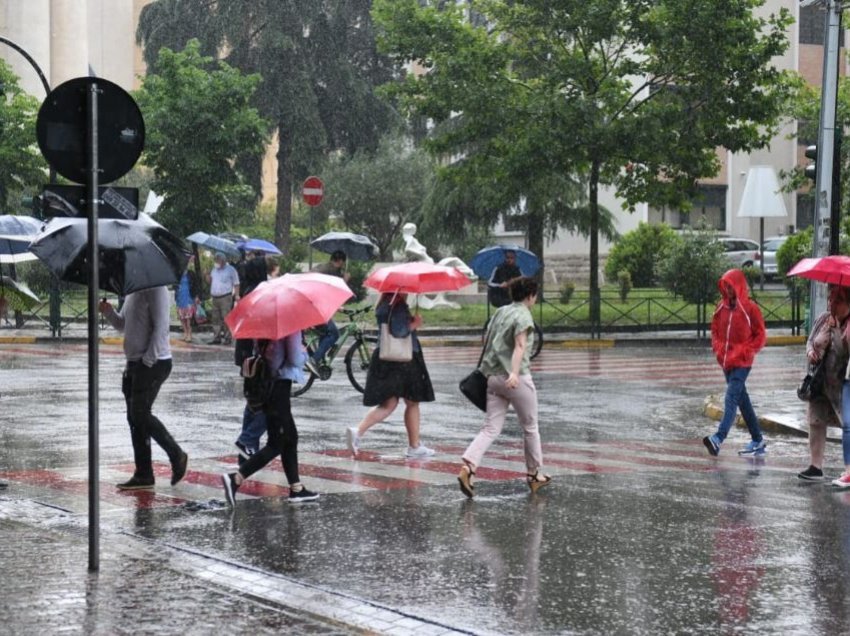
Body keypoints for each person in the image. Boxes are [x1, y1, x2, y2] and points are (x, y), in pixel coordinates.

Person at [457, 277, 551, 498]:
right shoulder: (523, 315)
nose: (535, 299)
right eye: (534, 295)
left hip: (491, 378)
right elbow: (520, 345)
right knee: (530, 426)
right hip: (514, 379)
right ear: (530, 295)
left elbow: (488, 339)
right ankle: (534, 473)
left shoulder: (500, 312)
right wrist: (514, 373)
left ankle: (468, 467)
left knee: (490, 428)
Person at [99, 286, 188, 490]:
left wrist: (147, 361)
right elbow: (123, 325)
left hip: (153, 362)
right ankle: (143, 473)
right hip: (133, 362)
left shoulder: (157, 289)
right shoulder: (133, 290)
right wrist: (108, 312)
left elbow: (162, 327)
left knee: (139, 413)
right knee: (134, 418)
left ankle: (177, 455)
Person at [221, 330, 320, 505]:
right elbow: (295, 358)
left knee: (290, 438)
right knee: (277, 443)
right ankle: (235, 478)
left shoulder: (266, 326)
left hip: (266, 384)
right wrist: (304, 352)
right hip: (279, 386)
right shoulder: (290, 327)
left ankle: (296, 489)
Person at [346, 292, 435, 458]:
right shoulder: (398, 305)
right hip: (404, 359)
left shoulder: (383, 304)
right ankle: (414, 447)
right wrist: (414, 324)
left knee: (389, 404)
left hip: (385, 356)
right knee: (412, 401)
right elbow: (400, 331)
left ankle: (358, 431)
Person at [703, 268, 767, 457]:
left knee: (730, 398)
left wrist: (747, 350)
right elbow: (715, 330)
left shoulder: (750, 308)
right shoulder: (720, 307)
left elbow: (760, 334)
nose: (728, 291)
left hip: (742, 363)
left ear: (738, 287)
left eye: (731, 287)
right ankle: (758, 439)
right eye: (726, 287)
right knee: (742, 400)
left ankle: (718, 439)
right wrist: (718, 349)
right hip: (726, 362)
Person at [798, 285, 850, 481]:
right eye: (831, 299)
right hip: (820, 382)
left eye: (838, 300)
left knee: (848, 424)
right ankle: (815, 465)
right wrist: (810, 351)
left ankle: (849, 469)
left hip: (841, 384)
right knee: (816, 421)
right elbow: (810, 341)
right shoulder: (823, 319)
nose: (832, 304)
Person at [233, 257, 280, 463]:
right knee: (267, 404)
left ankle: (246, 448)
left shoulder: (246, 290)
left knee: (253, 401)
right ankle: (247, 440)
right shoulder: (260, 292)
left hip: (247, 356)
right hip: (258, 356)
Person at [309, 250, 350, 371]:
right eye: (343, 263)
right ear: (340, 261)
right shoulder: (331, 271)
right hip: (316, 308)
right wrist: (345, 280)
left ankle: (319, 361)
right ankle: (314, 360)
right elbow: (334, 290)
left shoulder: (322, 267)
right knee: (333, 333)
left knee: (325, 332)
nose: (343, 266)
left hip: (312, 305)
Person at [206, 252, 240, 345]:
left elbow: (236, 283)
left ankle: (227, 337)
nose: (216, 262)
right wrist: (207, 275)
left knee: (226, 318)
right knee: (215, 318)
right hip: (215, 297)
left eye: (218, 260)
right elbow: (210, 282)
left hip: (225, 297)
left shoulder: (231, 270)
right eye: (215, 260)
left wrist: (237, 295)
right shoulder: (214, 270)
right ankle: (216, 337)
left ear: (223, 260)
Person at [175, 255, 201, 343]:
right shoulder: (178, 274)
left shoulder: (191, 274)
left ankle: (189, 333)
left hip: (189, 297)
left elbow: (196, 285)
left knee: (188, 317)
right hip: (180, 297)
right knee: (182, 317)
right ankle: (185, 332)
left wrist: (196, 296)